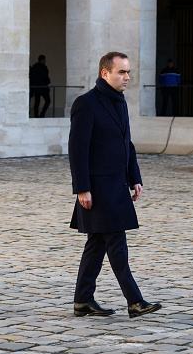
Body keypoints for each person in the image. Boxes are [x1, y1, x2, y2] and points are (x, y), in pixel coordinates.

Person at [68, 51, 162, 319]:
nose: (127, 77)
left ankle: (82, 300)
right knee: (116, 244)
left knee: (96, 245)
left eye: (128, 71)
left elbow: (126, 143)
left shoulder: (120, 102)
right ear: (104, 73)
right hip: (97, 190)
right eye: (122, 72)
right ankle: (135, 301)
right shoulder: (86, 103)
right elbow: (77, 149)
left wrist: (135, 177)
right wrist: (82, 188)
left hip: (117, 185)